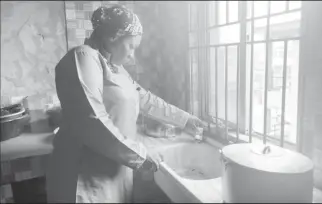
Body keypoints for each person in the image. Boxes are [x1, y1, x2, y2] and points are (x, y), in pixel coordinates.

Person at [46, 4, 205, 203]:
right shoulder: (83, 57)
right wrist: (139, 154)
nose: (132, 55)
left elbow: (145, 98)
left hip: (112, 169)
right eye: (131, 47)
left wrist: (186, 119)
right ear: (113, 37)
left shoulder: (116, 68)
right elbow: (92, 119)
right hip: (85, 173)